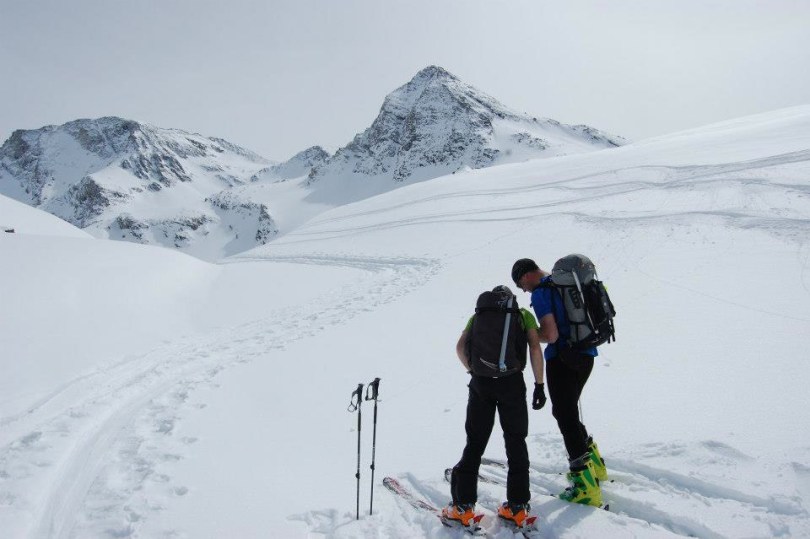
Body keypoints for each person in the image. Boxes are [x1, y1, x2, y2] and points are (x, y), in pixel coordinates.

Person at [443, 285, 546, 528]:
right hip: (512, 383)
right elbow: (534, 347)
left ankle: (463, 507)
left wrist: (473, 370)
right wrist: (539, 384)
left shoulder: (478, 315)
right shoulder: (522, 315)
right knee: (516, 440)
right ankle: (517, 507)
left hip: (481, 384)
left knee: (475, 442)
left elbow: (459, 347)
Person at [511, 258, 608, 507]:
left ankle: (584, 486)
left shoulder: (543, 292)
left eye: (521, 284)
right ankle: (595, 467)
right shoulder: (561, 284)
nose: (524, 290)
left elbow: (551, 334)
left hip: (562, 359)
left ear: (526, 275)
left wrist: (530, 336)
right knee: (569, 411)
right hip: (586, 355)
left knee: (564, 415)